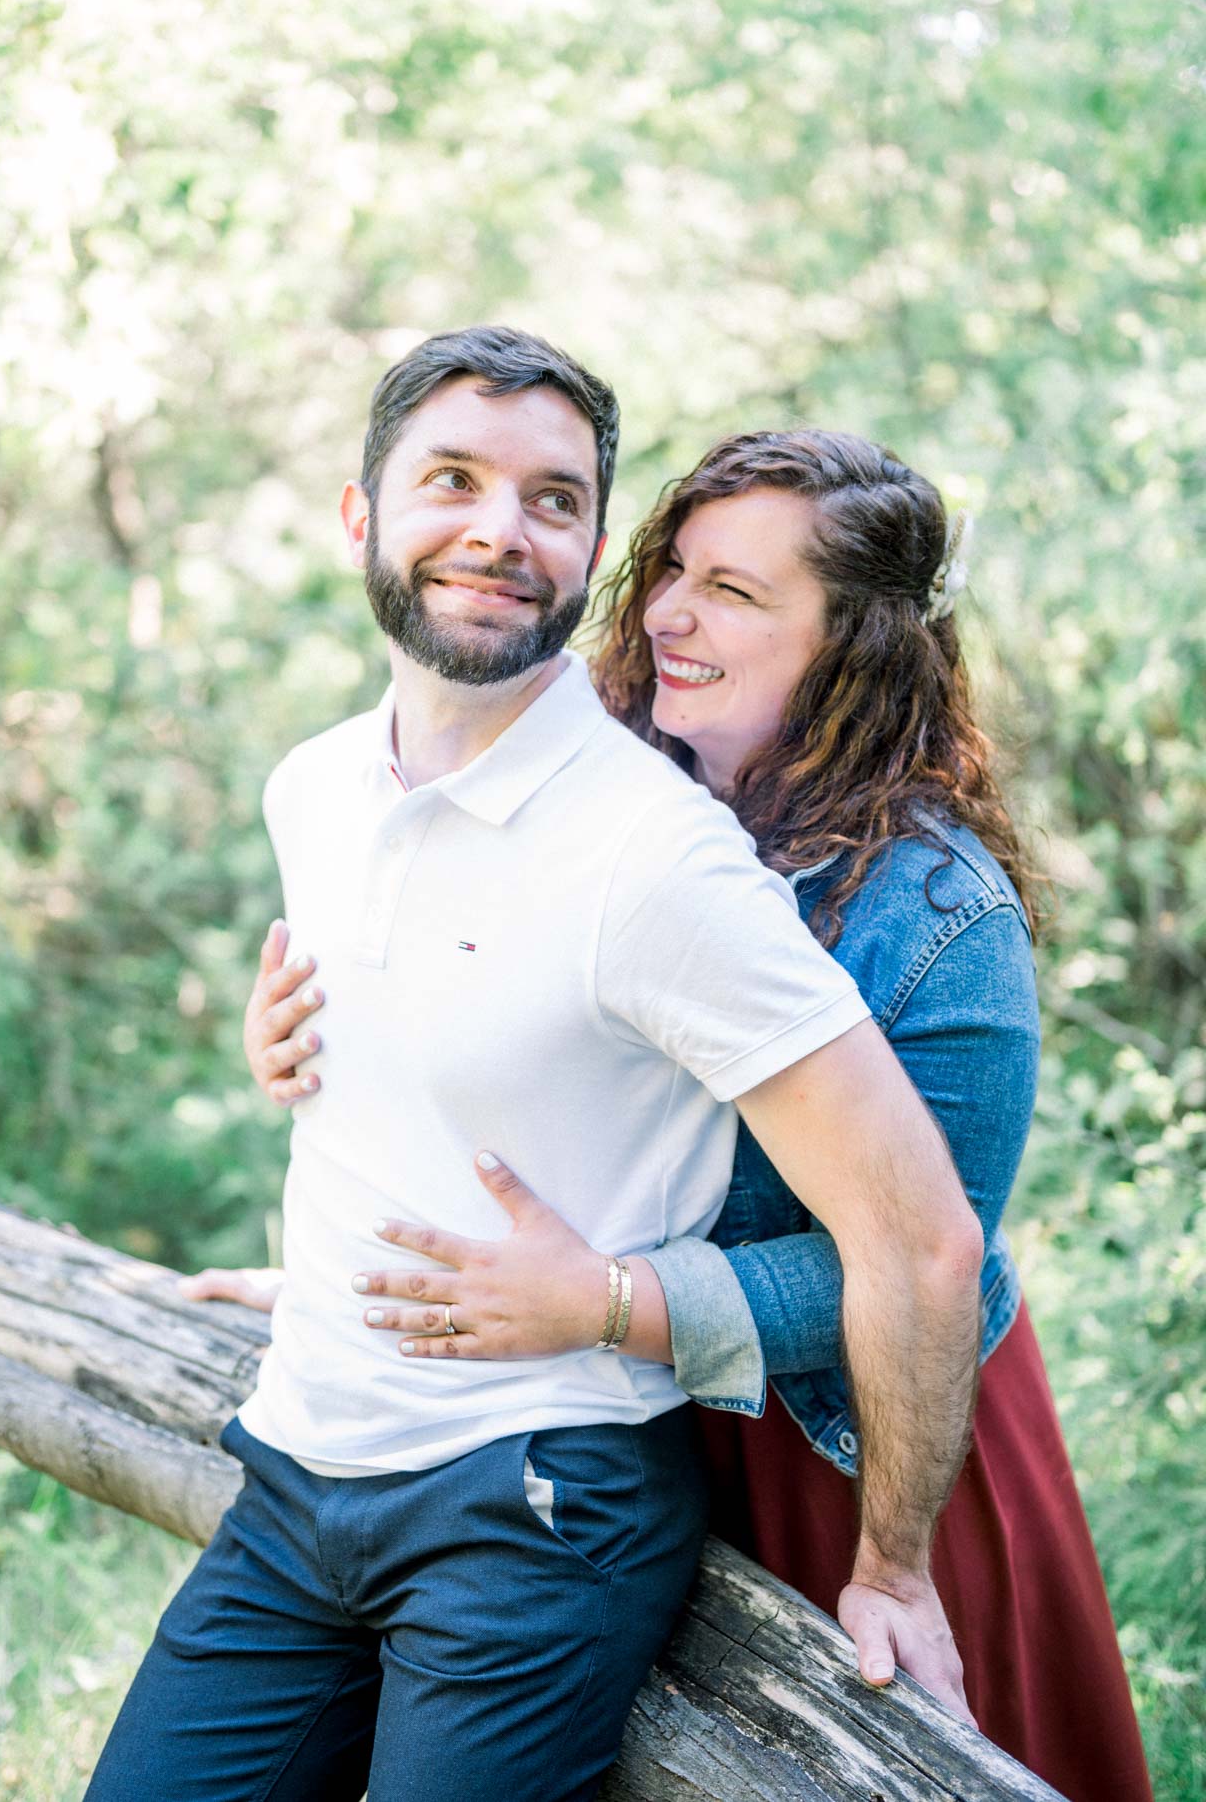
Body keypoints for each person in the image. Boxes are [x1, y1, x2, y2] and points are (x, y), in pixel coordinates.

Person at [90, 328, 984, 1802]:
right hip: (295, 1468)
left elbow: (924, 1238)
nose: (500, 530)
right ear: (359, 513)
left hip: (535, 1505)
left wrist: (896, 1565)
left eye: (553, 500)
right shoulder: (311, 786)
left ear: (587, 553)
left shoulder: (657, 858)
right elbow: (427, 1069)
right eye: (453, 478)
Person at [215, 427, 1154, 1802]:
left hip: (857, 1435)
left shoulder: (945, 925)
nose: (665, 612)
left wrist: (607, 1302)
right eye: (670, 568)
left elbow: (904, 1260)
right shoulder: (601, 802)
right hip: (602, 1415)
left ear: (856, 645)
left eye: (735, 591)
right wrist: (317, 1124)